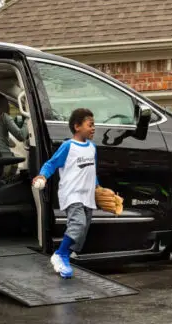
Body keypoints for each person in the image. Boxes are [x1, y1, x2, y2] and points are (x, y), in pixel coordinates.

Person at [32, 108, 99, 279]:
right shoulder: (68, 146)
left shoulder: (92, 148)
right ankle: (60, 254)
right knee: (78, 224)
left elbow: (93, 171)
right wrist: (42, 176)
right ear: (77, 126)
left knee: (83, 229)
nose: (93, 128)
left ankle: (66, 257)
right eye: (90, 125)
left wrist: (99, 188)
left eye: (94, 125)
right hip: (72, 194)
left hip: (87, 196)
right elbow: (51, 164)